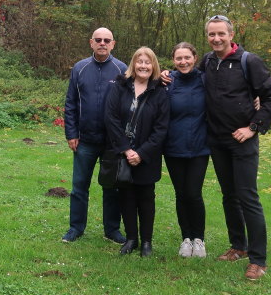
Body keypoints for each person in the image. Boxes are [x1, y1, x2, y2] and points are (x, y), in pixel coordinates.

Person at [200, 15, 271, 280]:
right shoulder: (208, 61)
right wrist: (166, 75)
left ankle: (258, 260)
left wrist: (253, 127)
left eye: (221, 34)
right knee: (229, 196)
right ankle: (238, 246)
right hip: (217, 140)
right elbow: (190, 81)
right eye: (212, 34)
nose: (216, 39)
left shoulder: (249, 61)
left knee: (248, 197)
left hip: (242, 140)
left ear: (231, 35)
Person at [62, 27, 127, 244]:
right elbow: (71, 103)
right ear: (91, 42)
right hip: (84, 140)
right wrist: (71, 133)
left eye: (106, 40)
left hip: (112, 142)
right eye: (98, 40)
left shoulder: (122, 69)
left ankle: (112, 230)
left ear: (113, 43)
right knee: (79, 186)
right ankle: (76, 228)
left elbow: (128, 105)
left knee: (112, 187)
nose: (102, 43)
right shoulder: (80, 68)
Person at [104, 47, 170, 257]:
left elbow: (161, 128)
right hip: (123, 153)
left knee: (146, 198)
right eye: (139, 62)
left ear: (154, 66)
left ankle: (147, 242)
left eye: (147, 62)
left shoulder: (160, 91)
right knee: (126, 196)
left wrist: (141, 153)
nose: (143, 66)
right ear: (133, 64)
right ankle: (131, 238)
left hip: (147, 155)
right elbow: (111, 118)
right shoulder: (120, 86)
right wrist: (126, 149)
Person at [163, 42, 210, 258]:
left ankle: (198, 239)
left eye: (187, 58)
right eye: (179, 58)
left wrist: (255, 99)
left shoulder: (205, 79)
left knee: (193, 193)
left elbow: (231, 92)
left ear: (194, 57)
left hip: (200, 148)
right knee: (181, 194)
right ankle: (186, 239)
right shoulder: (167, 82)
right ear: (174, 61)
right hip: (173, 148)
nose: (183, 62)